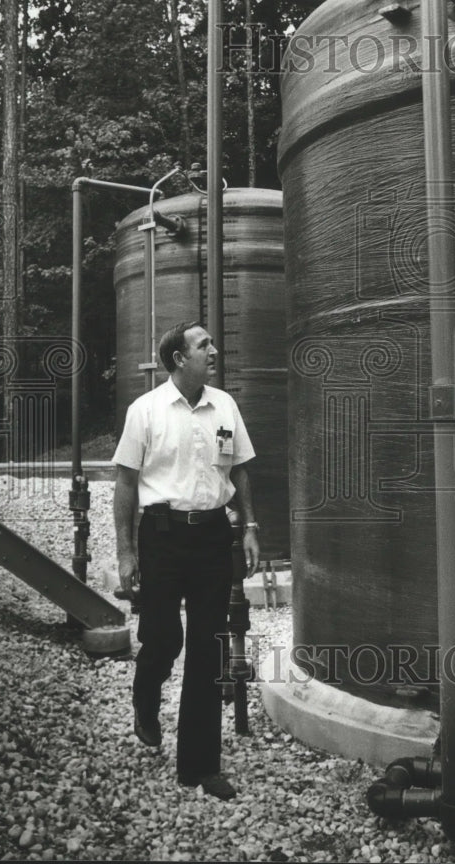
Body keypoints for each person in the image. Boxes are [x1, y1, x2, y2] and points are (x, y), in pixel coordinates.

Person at [112, 320, 260, 800]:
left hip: (213, 535)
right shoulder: (146, 411)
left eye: (212, 343)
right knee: (162, 636)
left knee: (207, 646)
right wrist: (125, 551)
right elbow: (126, 485)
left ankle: (199, 765)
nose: (213, 350)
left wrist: (250, 526)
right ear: (179, 359)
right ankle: (146, 697)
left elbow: (239, 468)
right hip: (162, 535)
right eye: (203, 346)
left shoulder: (225, 406)